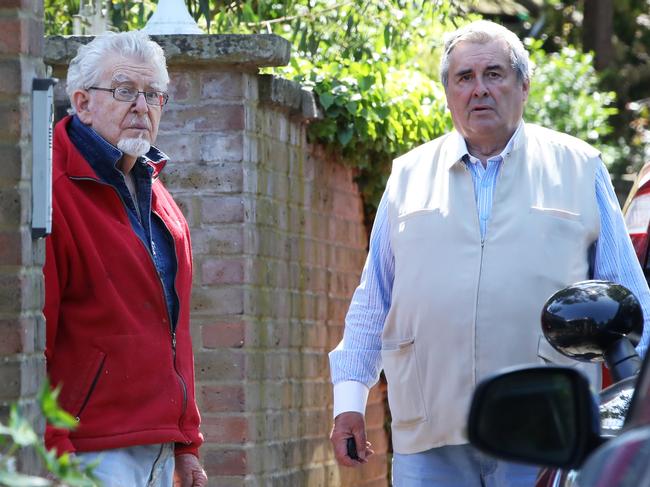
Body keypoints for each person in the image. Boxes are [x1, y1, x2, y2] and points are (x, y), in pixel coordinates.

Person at [328, 20, 650, 486]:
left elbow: (631, 306)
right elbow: (373, 301)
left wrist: (637, 414)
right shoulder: (408, 175)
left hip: (546, 438)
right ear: (448, 92)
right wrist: (348, 404)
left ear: (523, 85)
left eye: (494, 74)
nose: (479, 90)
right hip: (430, 437)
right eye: (465, 77)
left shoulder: (578, 167)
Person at [43, 30, 207, 487]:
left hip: (158, 450)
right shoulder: (52, 193)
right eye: (124, 91)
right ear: (82, 102)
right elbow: (32, 336)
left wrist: (186, 444)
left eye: (154, 94)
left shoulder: (160, 197)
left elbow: (176, 331)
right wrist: (53, 451)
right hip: (86, 454)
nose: (142, 106)